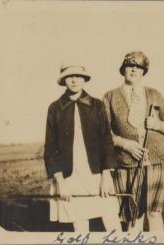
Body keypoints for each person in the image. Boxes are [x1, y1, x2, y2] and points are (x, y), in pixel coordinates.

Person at [44, 64, 121, 232]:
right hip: (69, 176)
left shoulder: (97, 105)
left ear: (84, 79)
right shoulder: (55, 108)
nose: (74, 80)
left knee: (110, 217)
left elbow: (106, 141)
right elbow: (50, 148)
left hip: (97, 173)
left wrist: (106, 176)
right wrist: (61, 182)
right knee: (79, 221)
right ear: (63, 80)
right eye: (69, 76)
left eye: (78, 76)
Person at [103, 51, 164, 232]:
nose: (133, 69)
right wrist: (126, 145)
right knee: (133, 215)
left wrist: (158, 125)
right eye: (129, 66)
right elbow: (104, 133)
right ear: (123, 70)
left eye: (138, 67)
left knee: (154, 213)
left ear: (144, 71)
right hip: (126, 163)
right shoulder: (110, 97)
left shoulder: (155, 94)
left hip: (157, 161)